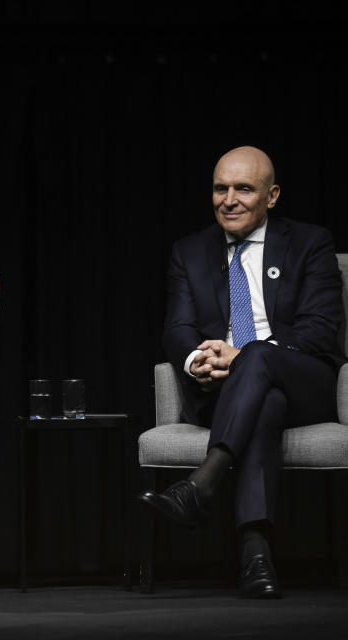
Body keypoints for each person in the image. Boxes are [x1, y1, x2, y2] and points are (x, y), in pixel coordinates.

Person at [138, 146, 345, 598]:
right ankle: (256, 559)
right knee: (264, 402)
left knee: (257, 356)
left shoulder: (311, 243)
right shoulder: (188, 252)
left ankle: (202, 485)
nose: (228, 199)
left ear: (271, 196)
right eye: (220, 188)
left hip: (304, 380)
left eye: (243, 189)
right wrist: (199, 362)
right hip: (227, 393)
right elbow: (177, 330)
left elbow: (320, 330)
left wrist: (246, 354)